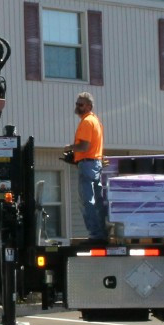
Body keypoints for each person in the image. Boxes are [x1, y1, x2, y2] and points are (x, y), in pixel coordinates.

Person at [64, 91, 106, 240]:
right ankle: (101, 233)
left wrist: (70, 148)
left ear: (89, 106)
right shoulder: (95, 120)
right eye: (77, 104)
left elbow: (84, 146)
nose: (78, 107)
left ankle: (95, 234)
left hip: (88, 164)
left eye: (80, 104)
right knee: (97, 201)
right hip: (94, 163)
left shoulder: (87, 121)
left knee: (87, 201)